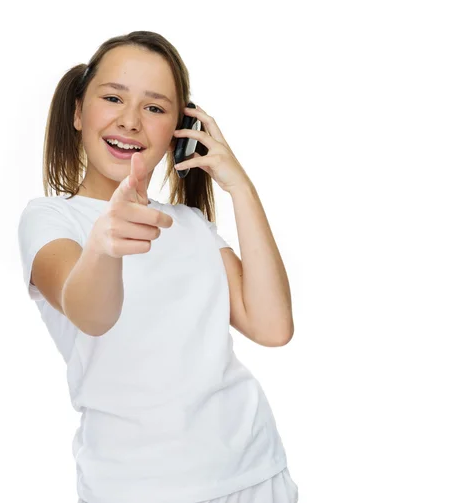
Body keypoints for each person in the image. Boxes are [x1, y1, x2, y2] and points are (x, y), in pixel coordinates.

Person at [17, 31, 299, 503]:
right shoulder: (51, 219)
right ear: (78, 111)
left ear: (179, 130)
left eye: (154, 108)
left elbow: (273, 327)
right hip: (137, 488)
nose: (130, 121)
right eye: (112, 98)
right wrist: (104, 247)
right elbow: (89, 312)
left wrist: (241, 188)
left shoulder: (190, 225)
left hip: (255, 472)